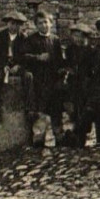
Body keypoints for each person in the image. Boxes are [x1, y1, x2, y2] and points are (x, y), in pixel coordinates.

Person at [22, 9, 66, 144]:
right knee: (40, 112)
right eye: (40, 23)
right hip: (39, 81)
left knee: (56, 110)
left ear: (51, 23)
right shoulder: (31, 39)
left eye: (46, 22)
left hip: (53, 80)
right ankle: (38, 141)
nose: (43, 26)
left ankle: (59, 139)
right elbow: (24, 56)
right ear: (36, 25)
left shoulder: (55, 40)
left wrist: (62, 73)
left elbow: (60, 60)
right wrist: (37, 58)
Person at [0, 11, 28, 126]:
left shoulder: (23, 38)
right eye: (11, 23)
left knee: (28, 77)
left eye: (16, 24)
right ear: (7, 23)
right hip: (2, 64)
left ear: (20, 25)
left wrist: (18, 65)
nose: (13, 26)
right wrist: (4, 64)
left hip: (17, 64)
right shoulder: (1, 36)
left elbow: (25, 55)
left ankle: (28, 109)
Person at [64, 20, 95, 146]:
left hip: (87, 84)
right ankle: (77, 137)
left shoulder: (91, 50)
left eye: (79, 36)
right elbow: (68, 64)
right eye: (74, 36)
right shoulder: (70, 49)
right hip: (74, 84)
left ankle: (81, 135)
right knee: (75, 110)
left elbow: (93, 69)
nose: (76, 39)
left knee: (85, 110)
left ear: (85, 37)